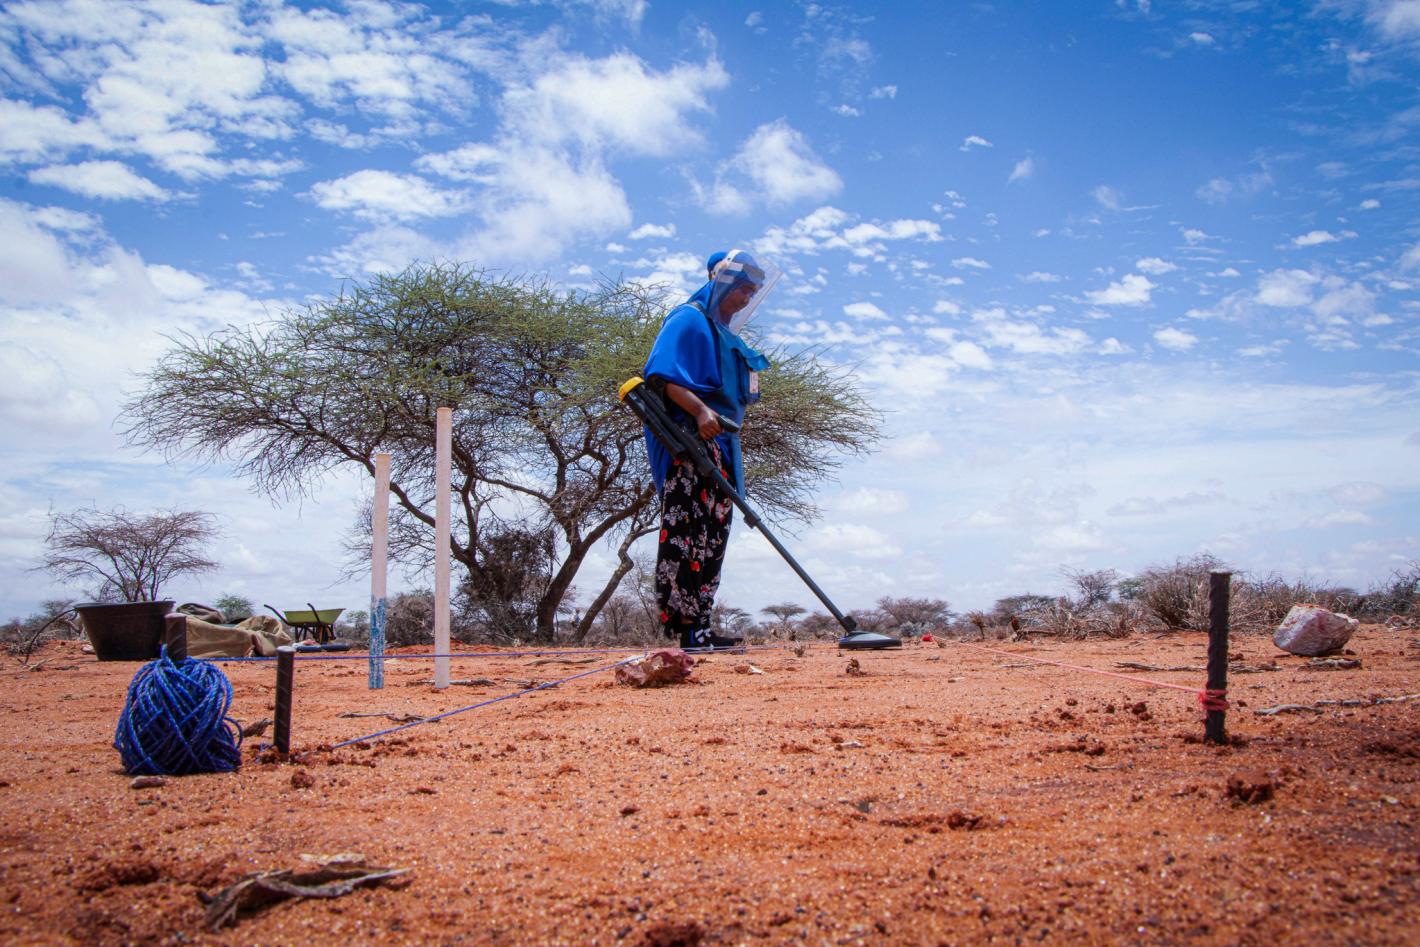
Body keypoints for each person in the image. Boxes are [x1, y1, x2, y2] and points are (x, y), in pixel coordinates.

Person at [641, 249, 778, 649]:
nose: (746, 298)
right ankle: (685, 625)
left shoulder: (726, 335)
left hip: (721, 447)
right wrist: (700, 411)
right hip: (689, 443)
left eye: (752, 292)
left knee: (713, 535)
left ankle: (701, 625)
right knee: (687, 530)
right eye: (742, 289)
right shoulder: (688, 318)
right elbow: (661, 375)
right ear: (722, 282)